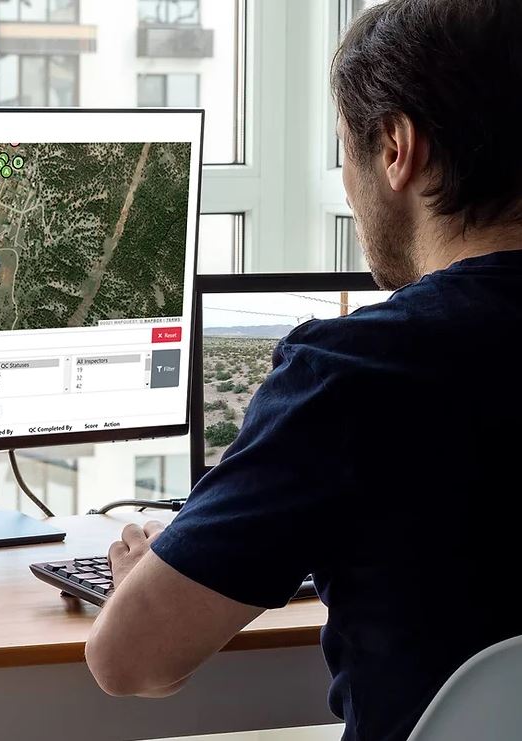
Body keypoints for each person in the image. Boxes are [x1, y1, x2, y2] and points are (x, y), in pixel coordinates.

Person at [85, 1, 522, 739]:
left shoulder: (356, 367)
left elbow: (128, 660)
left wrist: (144, 580)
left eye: (344, 152)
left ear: (395, 148)